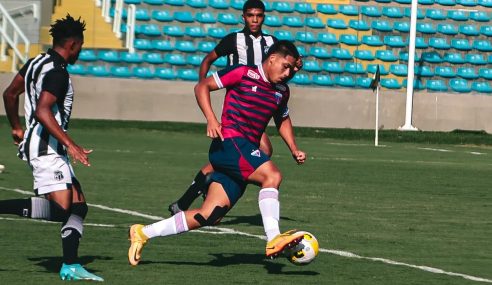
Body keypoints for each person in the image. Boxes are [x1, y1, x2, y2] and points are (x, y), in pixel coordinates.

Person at [128, 40, 307, 266]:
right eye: (285, 66)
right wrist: (212, 119)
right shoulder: (243, 72)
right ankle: (273, 238)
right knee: (272, 176)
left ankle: (143, 232)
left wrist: (293, 148)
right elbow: (201, 86)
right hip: (229, 143)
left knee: (209, 215)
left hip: (241, 151)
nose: (288, 72)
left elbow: (282, 119)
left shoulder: (282, 90)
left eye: (292, 69)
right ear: (271, 59)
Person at [0, 14, 103, 282]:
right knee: (60, 210)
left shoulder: (36, 62)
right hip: (48, 148)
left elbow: (9, 94)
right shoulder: (58, 72)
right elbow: (43, 111)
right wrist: (72, 145)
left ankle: (70, 264)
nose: (80, 51)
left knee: (79, 206)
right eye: (80, 46)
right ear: (73, 44)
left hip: (46, 146)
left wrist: (15, 127)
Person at [168, 0, 286, 215]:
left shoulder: (272, 42)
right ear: (243, 17)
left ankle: (186, 201)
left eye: (258, 15)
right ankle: (197, 197)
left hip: (257, 109)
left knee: (253, 152)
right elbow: (208, 59)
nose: (254, 19)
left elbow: (286, 62)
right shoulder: (233, 40)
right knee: (257, 151)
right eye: (250, 15)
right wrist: (203, 84)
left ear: (264, 17)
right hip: (237, 109)